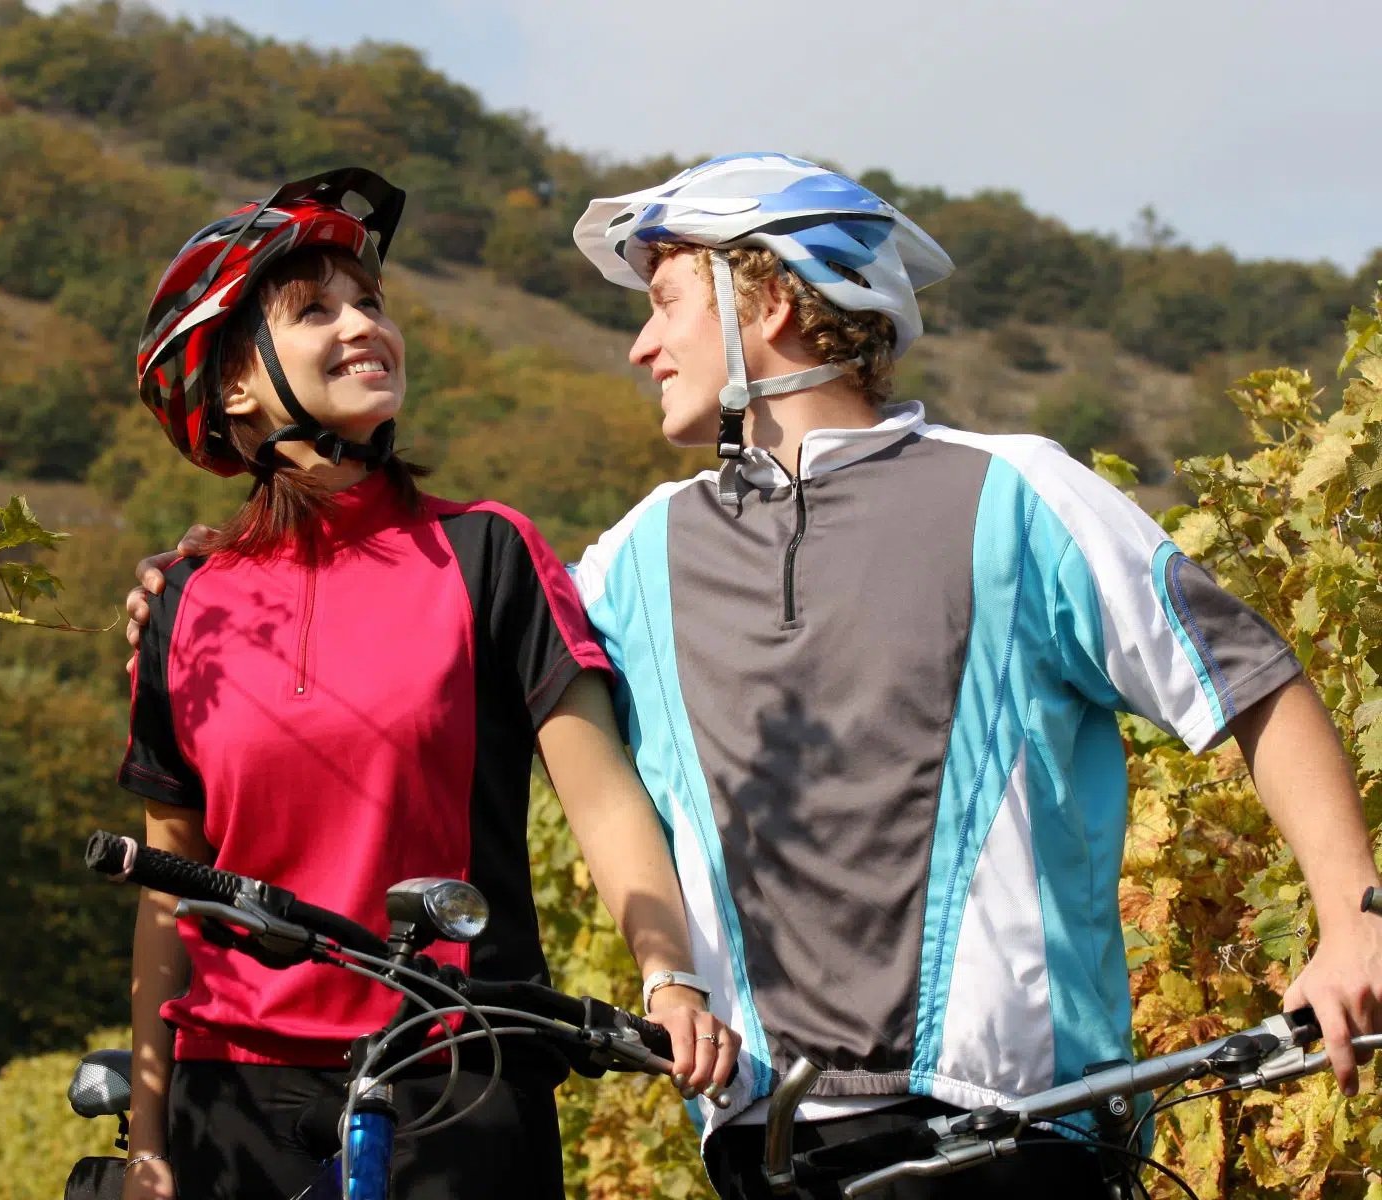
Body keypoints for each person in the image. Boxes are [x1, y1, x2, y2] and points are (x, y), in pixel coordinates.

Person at [128, 155, 1382, 1199]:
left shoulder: (1017, 489)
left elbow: (1248, 683)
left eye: (664, 302)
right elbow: (426, 637)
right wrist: (215, 579)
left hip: (1015, 1127)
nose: (636, 346)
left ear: (767, 302)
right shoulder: (632, 557)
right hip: (764, 1144)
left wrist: (1354, 924)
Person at [116, 167, 736, 1200]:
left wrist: (667, 976)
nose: (364, 324)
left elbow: (603, 801)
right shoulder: (184, 601)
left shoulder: (487, 553)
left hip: (457, 1077)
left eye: (371, 304)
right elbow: (165, 893)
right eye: (316, 310)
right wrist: (148, 1137)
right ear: (232, 386)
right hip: (233, 1098)